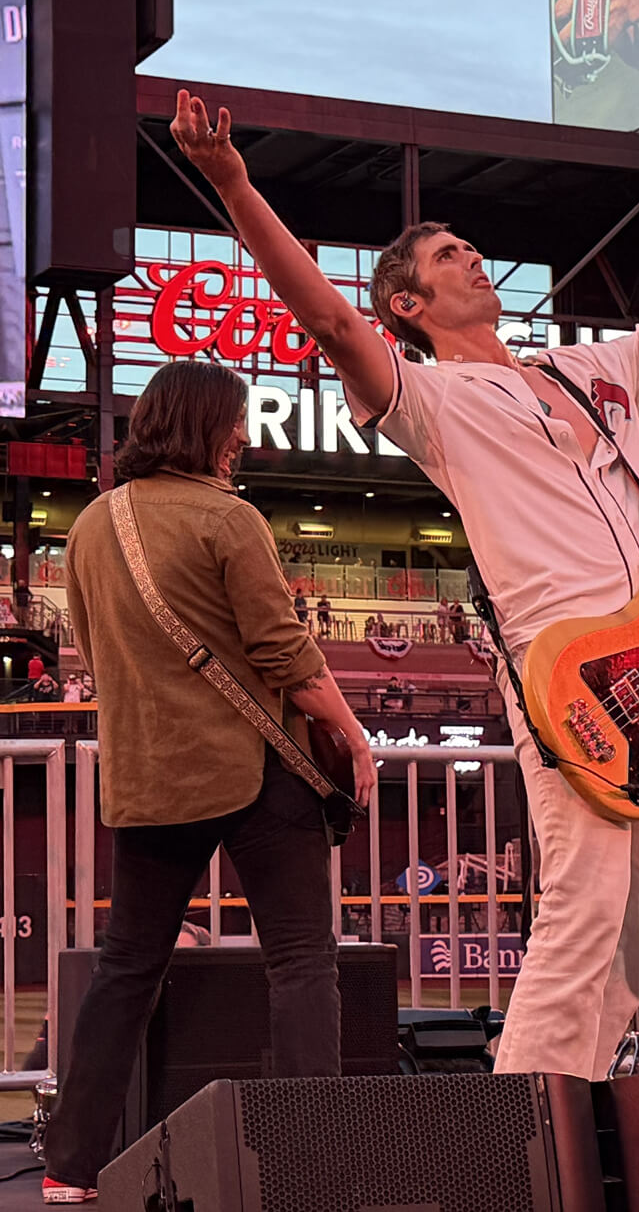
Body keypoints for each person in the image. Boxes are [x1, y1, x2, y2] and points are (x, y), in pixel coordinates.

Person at [170, 87, 639, 1082]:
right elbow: (332, 323)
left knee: (637, 925)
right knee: (582, 909)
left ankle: (582, 1112)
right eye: (445, 257)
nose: (473, 257)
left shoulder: (589, 365)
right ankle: (519, 1146)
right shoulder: (427, 396)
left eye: (470, 246)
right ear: (409, 307)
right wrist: (234, 183)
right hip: (566, 668)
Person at [41, 362, 376, 1204]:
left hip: (149, 774)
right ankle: (309, 1166)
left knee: (127, 969)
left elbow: (94, 647)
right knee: (302, 960)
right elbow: (284, 654)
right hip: (256, 769)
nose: (244, 436)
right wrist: (352, 731)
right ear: (205, 424)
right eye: (235, 421)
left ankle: (68, 1168)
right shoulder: (230, 518)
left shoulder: (89, 527)